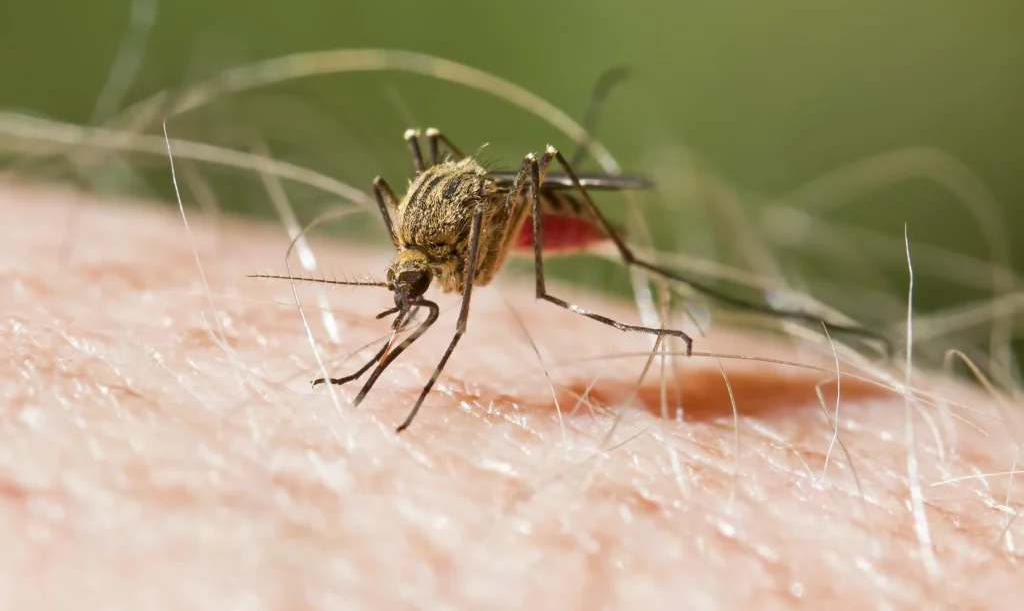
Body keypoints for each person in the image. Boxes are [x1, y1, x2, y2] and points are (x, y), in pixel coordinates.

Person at [2, 180, 1019, 609]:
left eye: (407, 293)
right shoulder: (412, 254)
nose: (408, 304)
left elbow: (446, 303)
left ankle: (597, 256)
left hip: (516, 214)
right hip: (466, 217)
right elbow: (424, 296)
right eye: (406, 293)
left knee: (504, 221)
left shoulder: (444, 252)